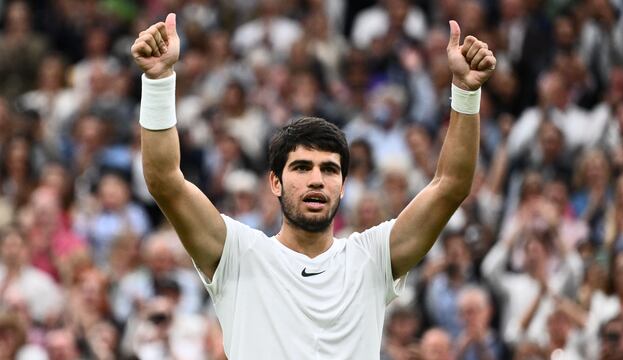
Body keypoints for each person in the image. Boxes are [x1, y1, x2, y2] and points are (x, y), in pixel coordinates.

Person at [131, 12, 495, 359]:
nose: (317, 179)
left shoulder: (371, 258)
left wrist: (465, 91)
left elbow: (451, 185)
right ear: (274, 182)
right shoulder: (238, 254)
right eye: (302, 167)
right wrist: (159, 80)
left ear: (343, 184)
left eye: (330, 170)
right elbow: (165, 180)